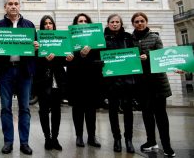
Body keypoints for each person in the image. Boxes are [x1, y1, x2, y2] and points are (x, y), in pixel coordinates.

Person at [0, 0, 38, 155]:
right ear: (5, 7)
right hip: (6, 71)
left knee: (25, 108)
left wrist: (36, 46)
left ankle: (24, 143)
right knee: (6, 108)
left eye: (16, 3)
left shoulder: (29, 25)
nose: (13, 6)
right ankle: (8, 142)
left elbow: (36, 50)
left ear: (20, 6)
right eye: (10, 3)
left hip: (24, 71)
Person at [131, 12, 175, 157]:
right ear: (133, 24)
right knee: (147, 115)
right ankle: (151, 141)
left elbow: (162, 57)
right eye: (136, 21)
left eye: (142, 21)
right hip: (142, 84)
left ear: (146, 22)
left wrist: (148, 56)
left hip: (157, 83)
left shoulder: (155, 37)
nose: (140, 23)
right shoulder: (130, 39)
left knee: (161, 115)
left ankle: (167, 146)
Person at [66, 13, 102, 148]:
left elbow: (100, 59)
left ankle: (92, 136)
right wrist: (78, 55)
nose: (83, 22)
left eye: (85, 20)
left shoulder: (96, 39)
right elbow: (67, 59)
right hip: (76, 78)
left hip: (91, 78)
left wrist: (89, 54)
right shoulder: (70, 39)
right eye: (80, 21)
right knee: (78, 108)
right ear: (76, 24)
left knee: (91, 109)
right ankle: (79, 136)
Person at [104, 14, 136, 153]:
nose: (115, 24)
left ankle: (129, 140)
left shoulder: (128, 37)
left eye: (117, 22)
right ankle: (116, 139)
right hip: (111, 82)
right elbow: (99, 56)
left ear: (121, 23)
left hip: (127, 81)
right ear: (108, 23)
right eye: (112, 22)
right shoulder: (103, 39)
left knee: (128, 111)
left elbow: (134, 54)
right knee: (112, 112)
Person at [34, 15, 65, 151]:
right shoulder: (37, 42)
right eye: (45, 23)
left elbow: (63, 59)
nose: (48, 25)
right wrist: (41, 55)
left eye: (50, 23)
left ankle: (55, 138)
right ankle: (47, 137)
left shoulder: (60, 39)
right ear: (42, 26)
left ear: (53, 25)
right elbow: (34, 62)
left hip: (57, 81)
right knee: (44, 111)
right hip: (43, 81)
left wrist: (67, 57)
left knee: (57, 111)